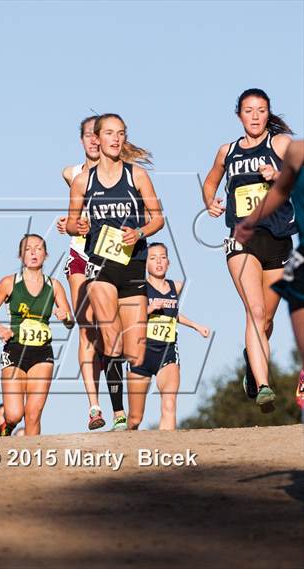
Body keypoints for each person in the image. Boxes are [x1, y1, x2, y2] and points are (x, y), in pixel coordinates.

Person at [67, 113, 164, 431]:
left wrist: (139, 233)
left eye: (120, 133)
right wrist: (77, 225)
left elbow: (158, 218)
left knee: (136, 354)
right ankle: (115, 412)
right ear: (97, 137)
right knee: (111, 343)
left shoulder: (137, 176)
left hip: (133, 265)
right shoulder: (83, 181)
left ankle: (130, 420)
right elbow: (71, 222)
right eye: (109, 133)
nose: (115, 138)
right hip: (100, 267)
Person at [203, 89, 295, 410]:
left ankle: (250, 361)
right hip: (241, 240)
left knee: (266, 321)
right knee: (254, 312)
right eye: (248, 110)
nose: (255, 116)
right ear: (239, 114)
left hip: (279, 239)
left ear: (268, 114)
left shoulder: (280, 144)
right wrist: (209, 202)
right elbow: (211, 181)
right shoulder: (227, 151)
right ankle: (264, 385)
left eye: (261, 110)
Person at [235, 140, 304, 408]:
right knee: (260, 316)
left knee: (265, 320)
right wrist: (250, 221)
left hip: (282, 246)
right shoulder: (297, 150)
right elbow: (281, 190)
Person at [0, 234, 74, 436]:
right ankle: (4, 432)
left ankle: (33, 461)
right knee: (14, 415)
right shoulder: (9, 282)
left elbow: (70, 321)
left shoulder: (55, 286)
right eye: (28, 249)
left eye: (38, 248)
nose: (33, 252)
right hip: (14, 350)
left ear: (46, 254)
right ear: (21, 255)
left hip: (42, 353)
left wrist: (65, 316)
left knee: (33, 414)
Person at [127, 243, 210, 430]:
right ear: (145, 264)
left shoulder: (176, 287)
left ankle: (167, 454)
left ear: (169, 263)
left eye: (162, 257)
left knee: (169, 404)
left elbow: (172, 313)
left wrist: (196, 326)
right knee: (134, 419)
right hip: (141, 353)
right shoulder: (139, 288)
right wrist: (147, 310)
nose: (158, 261)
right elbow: (128, 318)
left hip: (168, 353)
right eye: (153, 258)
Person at [57, 116, 105, 430]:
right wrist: (72, 225)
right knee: (86, 326)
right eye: (88, 135)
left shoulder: (123, 172)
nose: (93, 141)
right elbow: (76, 213)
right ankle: (93, 406)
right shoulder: (70, 173)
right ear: (81, 140)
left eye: (97, 135)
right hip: (80, 253)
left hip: (112, 254)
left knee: (109, 330)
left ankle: (117, 404)